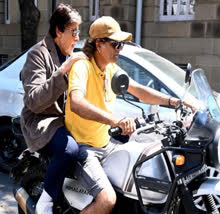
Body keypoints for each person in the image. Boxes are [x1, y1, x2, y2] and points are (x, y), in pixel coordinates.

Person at [64, 16, 195, 214]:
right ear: (99, 44)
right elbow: (77, 102)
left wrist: (176, 101)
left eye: (122, 45)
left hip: (106, 144)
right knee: (107, 200)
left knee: (139, 173)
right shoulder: (83, 67)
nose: (120, 50)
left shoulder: (110, 69)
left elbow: (139, 90)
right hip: (85, 148)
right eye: (116, 45)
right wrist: (115, 120)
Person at [20, 3, 87, 214]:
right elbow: (34, 100)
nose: (77, 37)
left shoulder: (71, 53)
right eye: (73, 31)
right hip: (42, 120)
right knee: (69, 149)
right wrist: (64, 70)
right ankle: (45, 202)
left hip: (67, 118)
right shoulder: (38, 54)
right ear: (59, 31)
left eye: (79, 32)